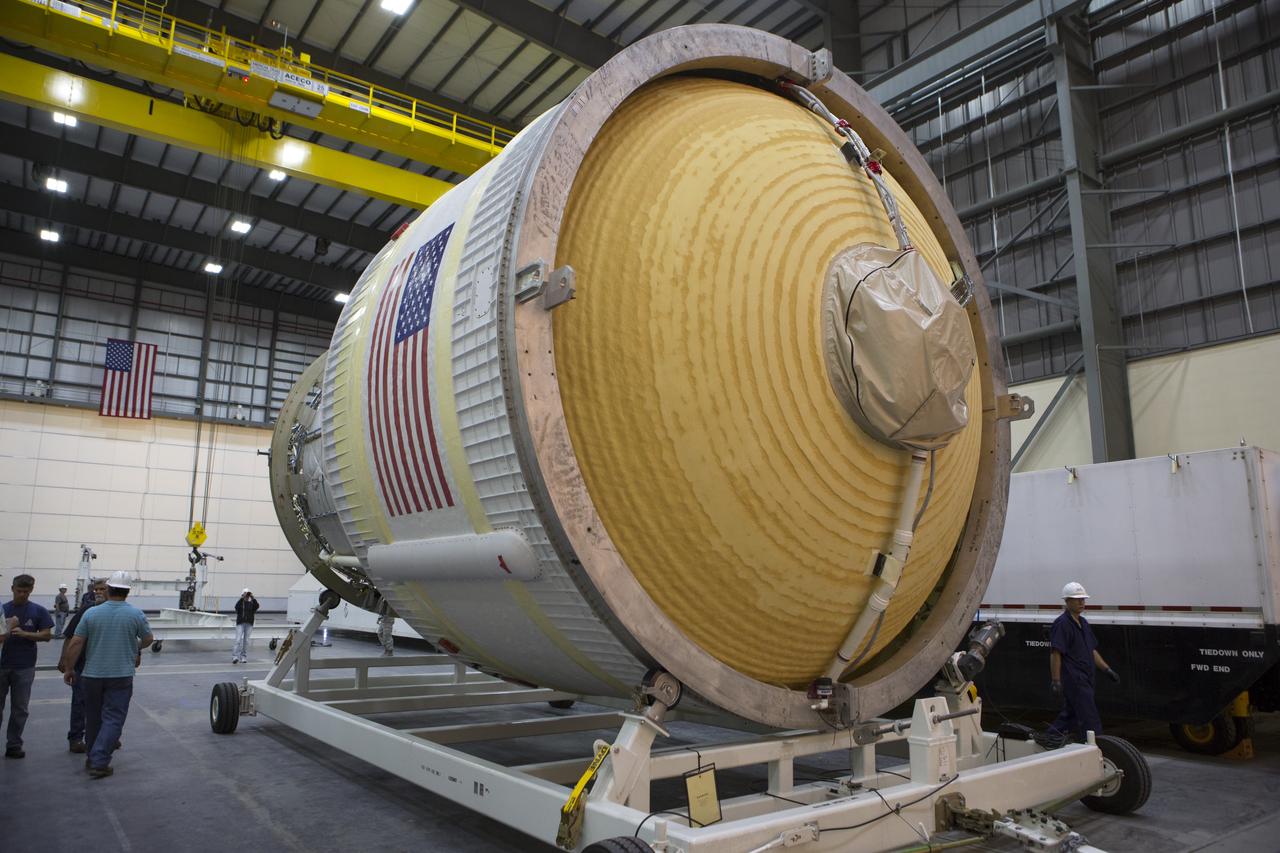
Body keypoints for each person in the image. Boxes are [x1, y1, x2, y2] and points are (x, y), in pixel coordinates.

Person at [59, 571, 153, 778]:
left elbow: (76, 642)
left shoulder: (91, 614)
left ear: (109, 589)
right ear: (128, 592)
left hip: (92, 675)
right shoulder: (135, 615)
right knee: (113, 717)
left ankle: (93, 757)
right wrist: (134, 647)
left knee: (93, 717)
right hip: (121, 675)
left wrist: (69, 668)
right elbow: (148, 639)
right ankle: (99, 761)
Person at [1048, 582, 1121, 743]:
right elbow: (1056, 653)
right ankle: (1097, 748)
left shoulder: (1084, 623)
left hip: (1087, 678)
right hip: (1075, 679)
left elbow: (1092, 651)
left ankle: (1048, 739)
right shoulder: (1062, 624)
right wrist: (1056, 680)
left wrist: (1107, 670)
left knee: (1071, 715)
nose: (1081, 603)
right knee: (1090, 719)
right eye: (1077, 599)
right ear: (1067, 601)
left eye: (1083, 599)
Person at [1, 574, 54, 758]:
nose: (22, 594)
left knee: (20, 708)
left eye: (25, 591)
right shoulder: (2, 609)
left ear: (31, 590)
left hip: (24, 666)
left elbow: (47, 635)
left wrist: (25, 634)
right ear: (12, 589)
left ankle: (14, 744)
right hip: (2, 665)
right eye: (19, 591)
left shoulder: (38, 611)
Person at [59, 578, 109, 753]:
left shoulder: (117, 611)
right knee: (80, 702)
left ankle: (105, 736)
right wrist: (65, 661)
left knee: (105, 704)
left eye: (103, 589)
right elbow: (70, 636)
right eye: (96, 589)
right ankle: (76, 738)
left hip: (106, 666)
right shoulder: (86, 611)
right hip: (83, 665)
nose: (99, 592)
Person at [232, 588, 259, 664]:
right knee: (238, 640)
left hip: (249, 624)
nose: (247, 596)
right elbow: (236, 607)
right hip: (240, 623)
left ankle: (243, 656)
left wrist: (253, 597)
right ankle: (235, 657)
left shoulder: (252, 603)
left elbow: (257, 606)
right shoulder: (240, 603)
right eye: (245, 594)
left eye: (248, 594)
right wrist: (241, 598)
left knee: (246, 641)